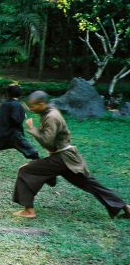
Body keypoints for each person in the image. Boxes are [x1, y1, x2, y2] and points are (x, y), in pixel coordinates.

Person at [12, 90, 130, 219]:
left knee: (25, 171)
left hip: (62, 158)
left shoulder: (52, 116)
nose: (31, 108)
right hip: (68, 159)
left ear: (41, 103)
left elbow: (48, 142)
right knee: (90, 184)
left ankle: (29, 211)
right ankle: (125, 207)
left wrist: (32, 129)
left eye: (33, 106)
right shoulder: (49, 112)